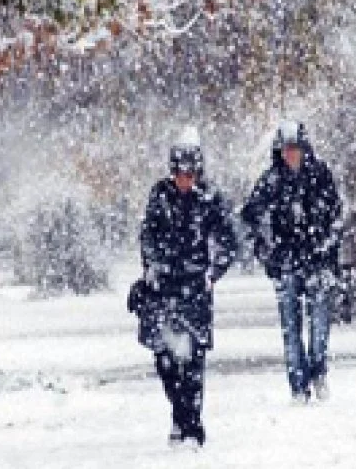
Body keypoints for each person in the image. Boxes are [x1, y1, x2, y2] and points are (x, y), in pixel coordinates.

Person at [134, 128, 237, 447]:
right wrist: (151, 267)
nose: (185, 179)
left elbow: (228, 241)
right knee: (164, 359)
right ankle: (180, 415)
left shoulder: (211, 199)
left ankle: (192, 426)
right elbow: (147, 236)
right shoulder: (159, 196)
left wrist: (212, 273)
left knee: (193, 362)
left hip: (195, 287)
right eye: (180, 173)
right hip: (163, 287)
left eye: (190, 173)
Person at [241, 120, 342, 403]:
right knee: (291, 328)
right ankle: (298, 385)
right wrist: (267, 252)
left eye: (294, 148)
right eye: (285, 149)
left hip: (317, 260)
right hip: (286, 262)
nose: (290, 154)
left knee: (319, 325)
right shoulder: (271, 180)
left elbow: (336, 216)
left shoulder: (320, 176)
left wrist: (327, 250)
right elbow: (250, 216)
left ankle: (318, 370)